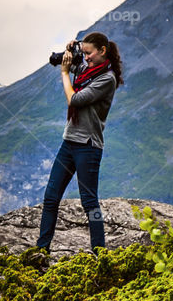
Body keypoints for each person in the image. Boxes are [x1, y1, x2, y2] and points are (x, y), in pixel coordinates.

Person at [36, 32, 124, 255]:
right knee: (51, 197)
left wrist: (65, 72)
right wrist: (72, 53)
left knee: (89, 202)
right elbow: (77, 67)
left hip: (88, 145)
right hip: (70, 141)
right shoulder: (88, 70)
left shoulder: (107, 79)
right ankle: (41, 251)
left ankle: (99, 253)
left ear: (102, 51)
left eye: (88, 53)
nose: (85, 58)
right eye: (83, 54)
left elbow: (74, 99)